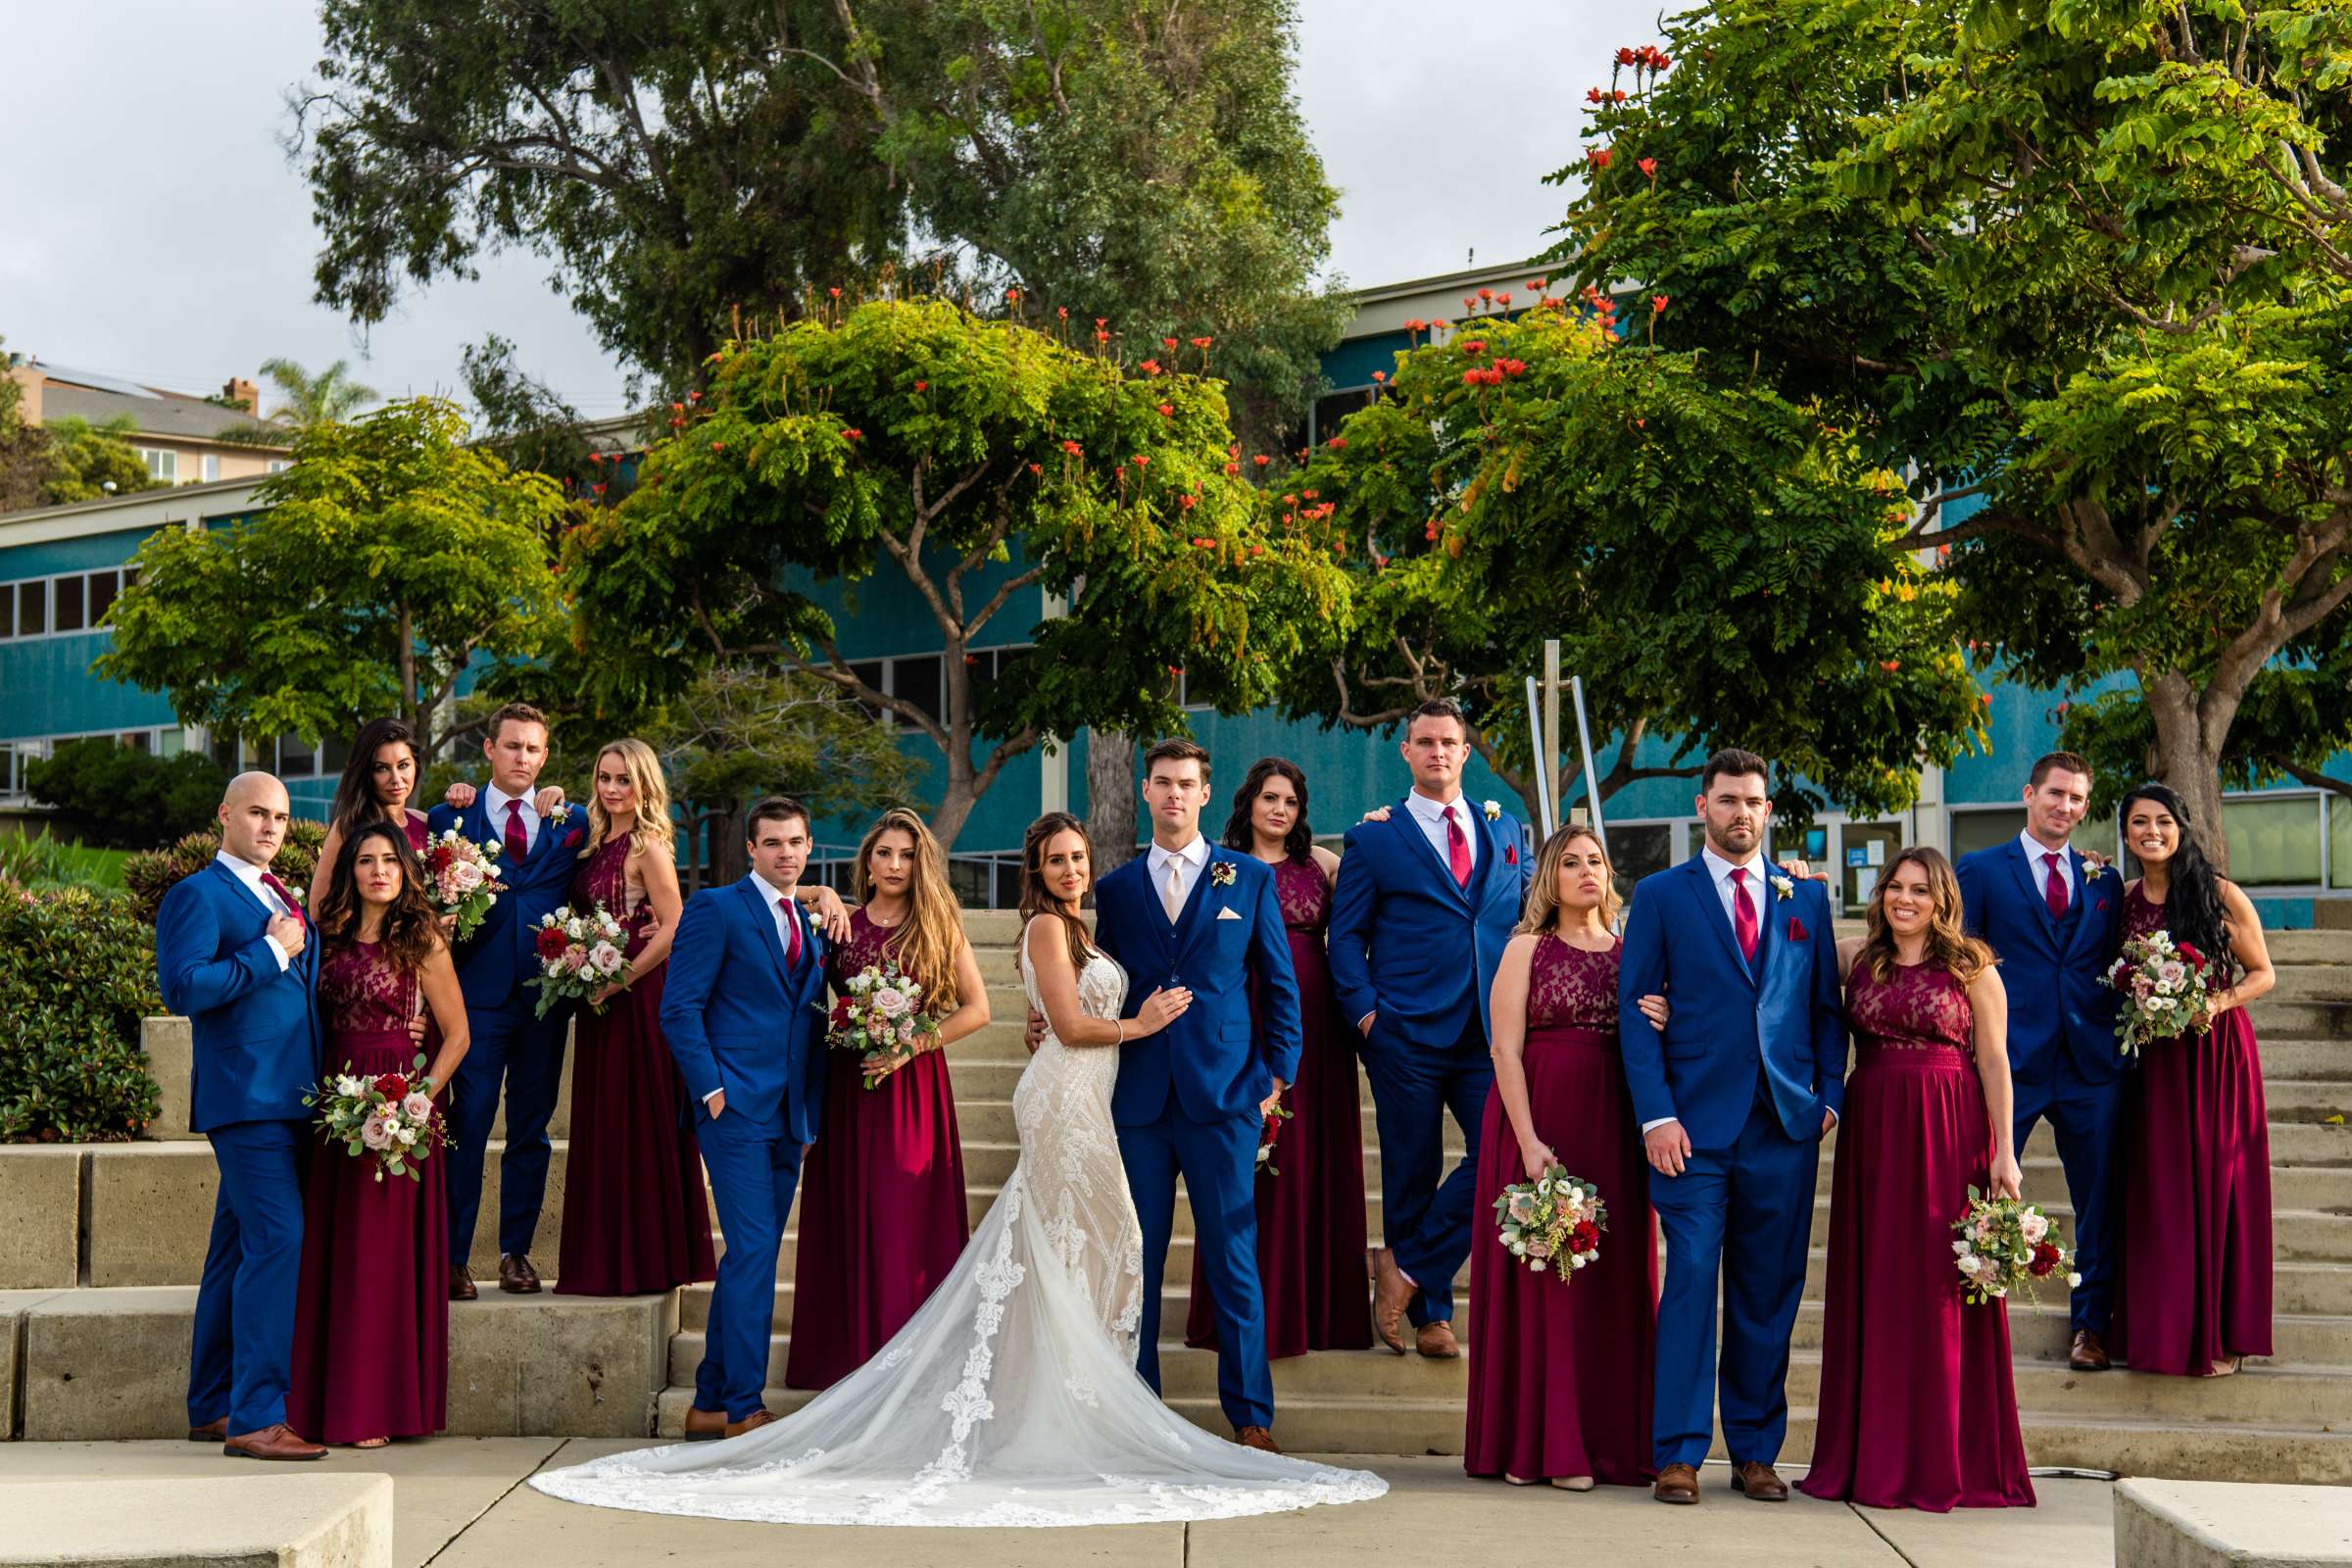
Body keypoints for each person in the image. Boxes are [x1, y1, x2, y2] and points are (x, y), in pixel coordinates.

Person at [526, 813, 1385, 1526]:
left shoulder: (1093, 917)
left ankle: (1103, 1401)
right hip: (1040, 1097)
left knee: (1099, 1250)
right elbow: (1069, 1017)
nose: (1073, 869)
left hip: (1104, 1096)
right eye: (1057, 859)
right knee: (1090, 1247)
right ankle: (755, 1397)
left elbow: (1035, 1003)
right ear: (1037, 870)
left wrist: (1251, 1061)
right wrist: (1142, 1022)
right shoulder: (1039, 923)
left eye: (1079, 857)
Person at [1615, 749, 1843, 1505]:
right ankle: (1677, 1453)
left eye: (1753, 801)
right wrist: (1656, 1114)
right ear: (1701, 806)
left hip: (1783, 1127)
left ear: (1768, 810)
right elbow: (1636, 1012)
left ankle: (1754, 1450)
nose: (1740, 813)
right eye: (1727, 800)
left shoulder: (1803, 900)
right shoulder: (1660, 895)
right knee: (1687, 1286)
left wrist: (1830, 1099)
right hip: (1690, 1130)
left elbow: (1823, 1013)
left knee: (1767, 1292)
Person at [1790, 848, 2034, 1510]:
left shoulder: (1972, 966)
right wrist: (1793, 885)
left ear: (1941, 899)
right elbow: (1766, 960)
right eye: (1895, 887)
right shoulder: (1855, 958)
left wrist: (2005, 1153)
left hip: (1949, 1133)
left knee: (1938, 1290)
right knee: (1877, 1286)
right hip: (1872, 1133)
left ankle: (1941, 1455)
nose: (1905, 899)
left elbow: (1994, 1062)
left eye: (1919, 890)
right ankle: (1873, 1455)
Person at [1093, 738, 1301, 1449]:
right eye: (1162, 783)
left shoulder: (1245, 878)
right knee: (1137, 1262)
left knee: (1233, 1259)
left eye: (1186, 784)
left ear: (1206, 795)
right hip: (1141, 1104)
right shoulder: (1116, 890)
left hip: (1224, 1099)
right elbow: (1102, 979)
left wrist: (1277, 1077)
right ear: (1145, 793)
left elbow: (1278, 983)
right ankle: (1140, 1412)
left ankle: (1251, 1417)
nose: (1174, 794)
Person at [1328, 699, 1532, 1357]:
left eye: (1450, 741)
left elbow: (1532, 918)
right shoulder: (1374, 838)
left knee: (1504, 1159)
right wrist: (1367, 1017)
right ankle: (1432, 1319)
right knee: (1411, 1172)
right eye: (1425, 741)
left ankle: (1406, 1267)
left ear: (1466, 752)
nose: (1438, 751)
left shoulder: (1507, 832)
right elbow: (1346, 935)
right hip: (1404, 1034)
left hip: (1490, 1036)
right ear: (1406, 752)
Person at [1465, 826, 1656, 1492]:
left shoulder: (1633, 953)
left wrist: (1662, 1011)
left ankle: (1603, 1443)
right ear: (1550, 877)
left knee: (1608, 1283)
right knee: (1545, 1280)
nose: (1585, 872)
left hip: (1614, 1124)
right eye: (1570, 862)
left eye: (1596, 861)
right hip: (1540, 1121)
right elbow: (1504, 1050)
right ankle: (1537, 1446)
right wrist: (1528, 1142)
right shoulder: (1526, 948)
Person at [786, 807, 990, 1388]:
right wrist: (818, 888)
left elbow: (978, 1010)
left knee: (900, 1219)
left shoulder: (935, 926)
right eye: (884, 853)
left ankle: (908, 1367)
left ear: (920, 863)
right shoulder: (839, 922)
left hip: (910, 1090)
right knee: (846, 1215)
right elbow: (765, 890)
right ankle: (845, 1363)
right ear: (867, 862)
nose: (895, 864)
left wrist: (912, 1045)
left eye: (906, 854)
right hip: (846, 1088)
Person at [650, 797, 833, 1440]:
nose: (786, 853)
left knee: (748, 1259)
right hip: (732, 1111)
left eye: (796, 842)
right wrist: (712, 1092)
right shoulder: (716, 909)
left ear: (809, 847)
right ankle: (744, 1406)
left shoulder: (809, 924)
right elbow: (679, 1008)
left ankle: (707, 1403)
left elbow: (806, 1018)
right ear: (750, 850)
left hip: (789, 1115)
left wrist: (806, 1114)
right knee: (754, 1251)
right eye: (773, 843)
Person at [155, 771, 325, 1461]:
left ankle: (213, 1405)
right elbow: (183, 987)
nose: (270, 827)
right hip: (245, 1098)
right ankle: (257, 1417)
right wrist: (270, 951)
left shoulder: (279, 892)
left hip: (292, 1097)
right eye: (257, 813)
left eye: (281, 817)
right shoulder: (196, 894)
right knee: (280, 1241)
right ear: (225, 814)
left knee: (233, 1252)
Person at [285, 820, 471, 1447]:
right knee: (332, 1249)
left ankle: (376, 1406)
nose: (378, 871)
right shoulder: (328, 936)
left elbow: (459, 1035)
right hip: (333, 1100)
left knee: (380, 1256)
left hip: (396, 1111)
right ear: (351, 871)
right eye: (365, 861)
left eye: (390, 860)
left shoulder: (422, 940)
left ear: (405, 869)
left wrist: (418, 1101)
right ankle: (322, 1398)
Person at [1184, 758, 1374, 1357]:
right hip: (1240, 1018)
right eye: (1269, 798)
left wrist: (1380, 825)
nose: (1279, 811)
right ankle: (1243, 1310)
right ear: (1248, 802)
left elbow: (1365, 926)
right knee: (1246, 1159)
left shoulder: (1324, 867)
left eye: (1290, 802)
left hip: (1314, 1025)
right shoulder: (1216, 868)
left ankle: (1316, 1311)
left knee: (1308, 1157)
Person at [1953, 752, 2129, 1371]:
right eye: (2057, 794)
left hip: (2090, 1065)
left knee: (2099, 1201)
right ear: (2029, 794)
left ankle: (2092, 1328)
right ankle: (1979, 1317)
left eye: (2078, 799)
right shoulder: (1979, 871)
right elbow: (1958, 960)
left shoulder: (2103, 879)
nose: (2066, 807)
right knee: (1984, 1190)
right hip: (2010, 1061)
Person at [2110, 783, 2275, 1377]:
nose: (2150, 832)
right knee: (2161, 1194)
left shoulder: (2218, 893)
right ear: (2126, 834)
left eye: (2162, 821)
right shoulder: (2124, 899)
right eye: (2138, 823)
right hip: (2152, 1066)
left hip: (2214, 1056)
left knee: (2215, 1187)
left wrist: (2217, 1002)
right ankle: (2159, 1328)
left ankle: (2218, 1335)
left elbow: (2264, 974)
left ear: (2181, 826)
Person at [424, 702, 586, 1301]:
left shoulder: (573, 819)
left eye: (534, 749)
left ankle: (515, 1253)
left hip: (545, 1000)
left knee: (530, 1129)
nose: (523, 758)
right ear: (489, 749)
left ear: (545, 757)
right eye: (512, 746)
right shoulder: (451, 816)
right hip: (475, 1002)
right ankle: (452, 1257)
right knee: (467, 1125)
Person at [551, 739, 715, 1298]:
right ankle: (601, 1261)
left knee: (637, 1122)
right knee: (603, 1124)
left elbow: (674, 925)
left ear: (645, 785)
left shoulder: (648, 845)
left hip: (639, 999)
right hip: (598, 1000)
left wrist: (619, 979)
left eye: (624, 779)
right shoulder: (595, 839)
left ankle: (645, 1262)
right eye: (604, 778)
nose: (613, 789)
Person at [310, 718, 430, 919]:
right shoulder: (350, 826)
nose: (396, 778)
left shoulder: (426, 822)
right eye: (382, 768)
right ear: (367, 773)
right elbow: (319, 910)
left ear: (415, 765)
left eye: (403, 765)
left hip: (427, 944)